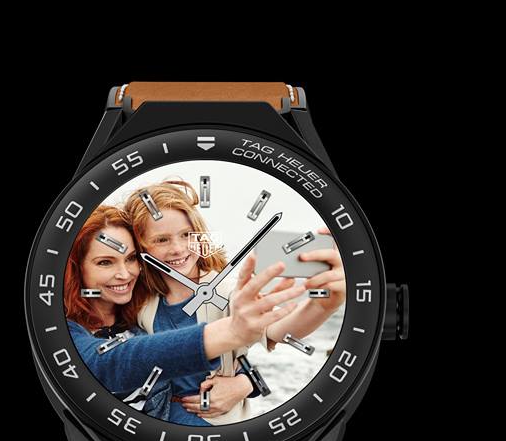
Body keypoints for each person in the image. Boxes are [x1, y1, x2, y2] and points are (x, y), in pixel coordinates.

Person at [124, 179, 346, 424]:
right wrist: (248, 381)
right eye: (161, 240)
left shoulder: (227, 289)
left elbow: (277, 328)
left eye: (186, 235)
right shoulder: (141, 298)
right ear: (140, 247)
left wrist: (323, 305)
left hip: (216, 425)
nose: (177, 248)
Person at [64, 205, 301, 424]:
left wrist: (247, 381)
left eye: (131, 258)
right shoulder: (65, 330)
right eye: (105, 262)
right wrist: (231, 332)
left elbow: (184, 361)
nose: (124, 274)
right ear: (76, 267)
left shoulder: (141, 312)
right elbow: (109, 362)